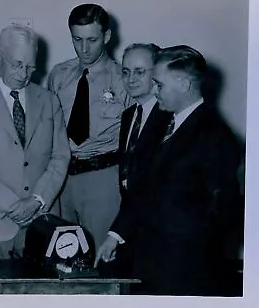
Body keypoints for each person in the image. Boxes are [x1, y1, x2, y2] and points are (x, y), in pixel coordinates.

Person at [95, 45, 242, 295]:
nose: (155, 90)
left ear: (184, 84)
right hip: (152, 262)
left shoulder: (214, 135)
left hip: (185, 272)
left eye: (159, 85)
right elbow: (143, 187)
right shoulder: (166, 124)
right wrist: (116, 235)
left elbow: (224, 213)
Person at [0, 24, 70, 260]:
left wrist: (38, 200)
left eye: (31, 67)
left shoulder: (49, 100)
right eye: (17, 65)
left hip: (43, 224)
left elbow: (60, 157)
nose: (24, 74)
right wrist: (12, 206)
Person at [47, 3, 132, 250]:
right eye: (77, 39)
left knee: (99, 255)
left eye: (92, 40)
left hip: (102, 177)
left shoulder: (123, 79)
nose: (84, 49)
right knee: (61, 254)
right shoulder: (59, 75)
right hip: (62, 179)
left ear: (107, 36)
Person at [94, 43, 172, 269]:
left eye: (140, 72)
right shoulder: (129, 115)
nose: (131, 79)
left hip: (158, 231)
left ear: (156, 73)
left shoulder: (168, 117)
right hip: (132, 226)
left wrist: (116, 234)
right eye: (126, 72)